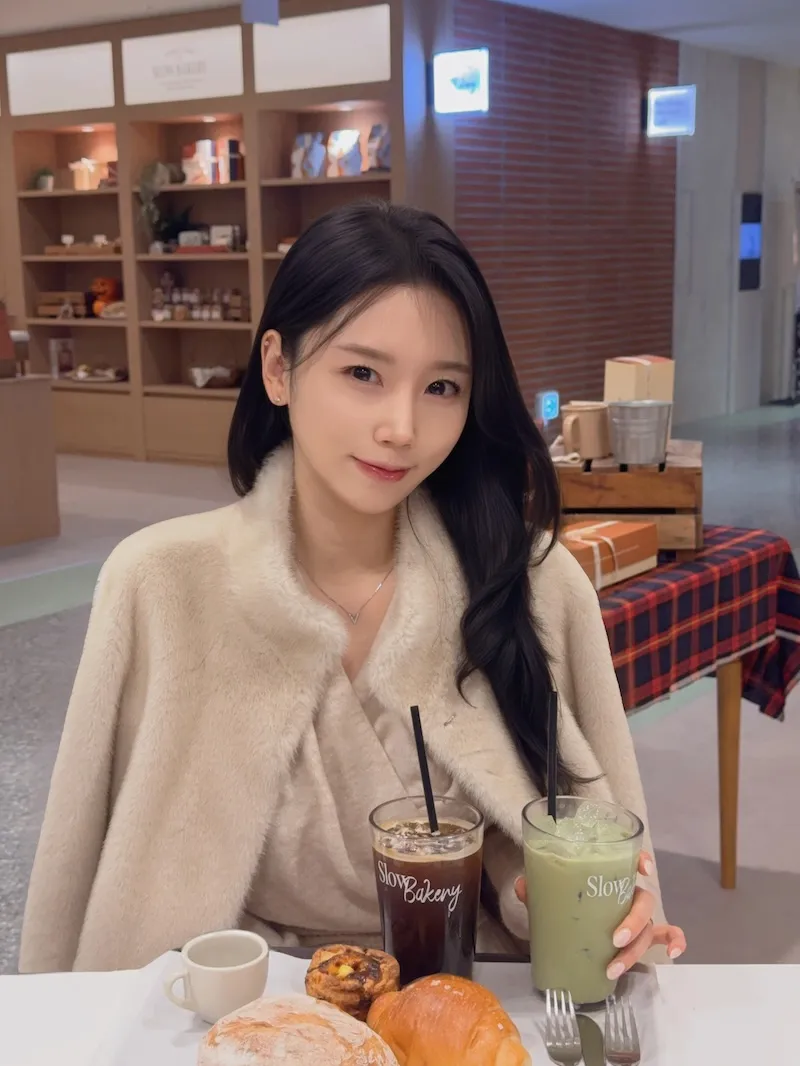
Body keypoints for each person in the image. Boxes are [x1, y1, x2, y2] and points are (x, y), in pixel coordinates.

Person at [20, 200, 686, 975]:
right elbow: (77, 874)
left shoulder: (530, 582)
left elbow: (594, 857)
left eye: (442, 387)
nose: (401, 427)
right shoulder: (161, 584)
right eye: (363, 374)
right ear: (279, 369)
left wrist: (562, 901)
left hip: (463, 997)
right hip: (238, 1006)